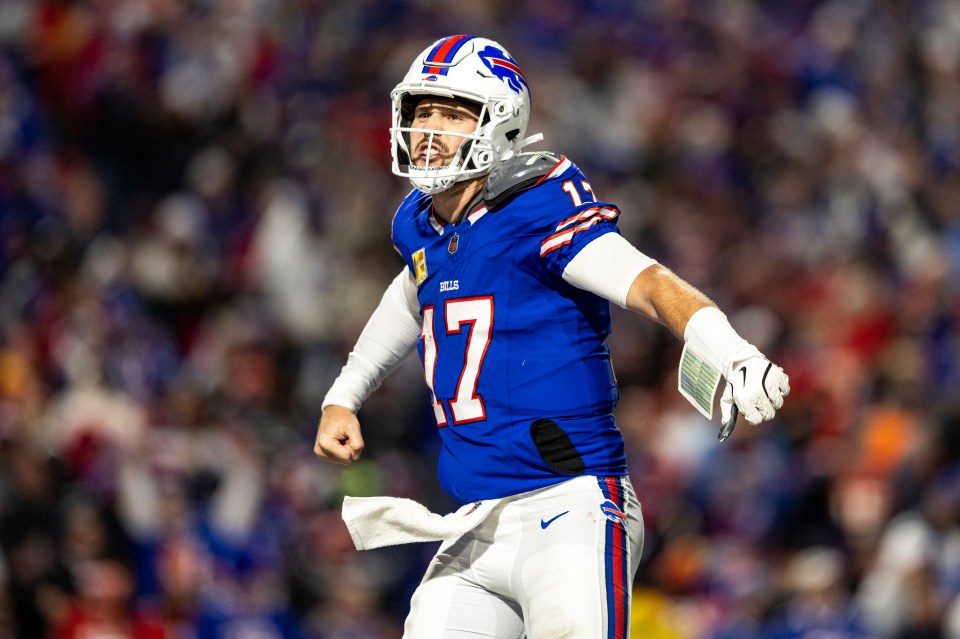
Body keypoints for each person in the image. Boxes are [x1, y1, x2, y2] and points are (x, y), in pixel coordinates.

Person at [314, 34, 790, 639]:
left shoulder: (536, 207)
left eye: (453, 114)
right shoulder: (421, 222)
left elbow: (648, 283)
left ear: (500, 124)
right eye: (423, 111)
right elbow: (414, 291)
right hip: (475, 524)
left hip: (571, 511)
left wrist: (730, 350)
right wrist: (345, 393)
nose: (430, 129)